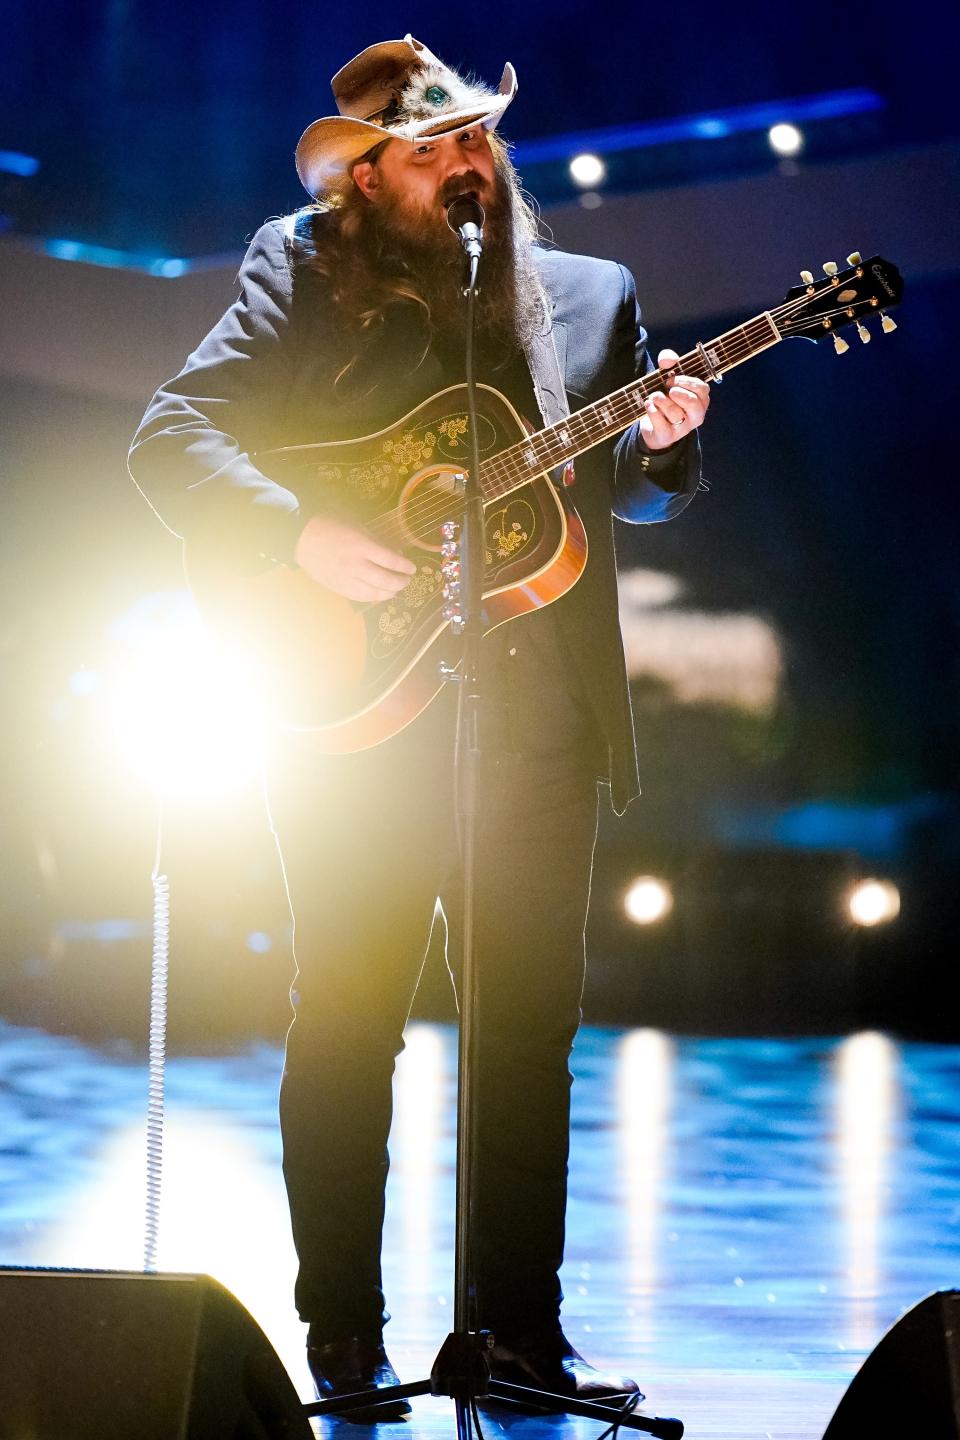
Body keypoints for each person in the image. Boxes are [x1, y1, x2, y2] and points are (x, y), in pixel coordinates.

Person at [128, 34, 710, 1420]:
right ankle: (344, 1338)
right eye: (440, 147)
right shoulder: (299, 267)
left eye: (482, 143)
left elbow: (634, 495)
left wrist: (672, 441)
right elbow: (173, 430)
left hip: (534, 717)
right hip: (349, 710)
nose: (470, 166)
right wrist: (304, 535)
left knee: (526, 1035)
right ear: (371, 174)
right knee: (344, 1023)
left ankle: (518, 1335)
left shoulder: (588, 294)